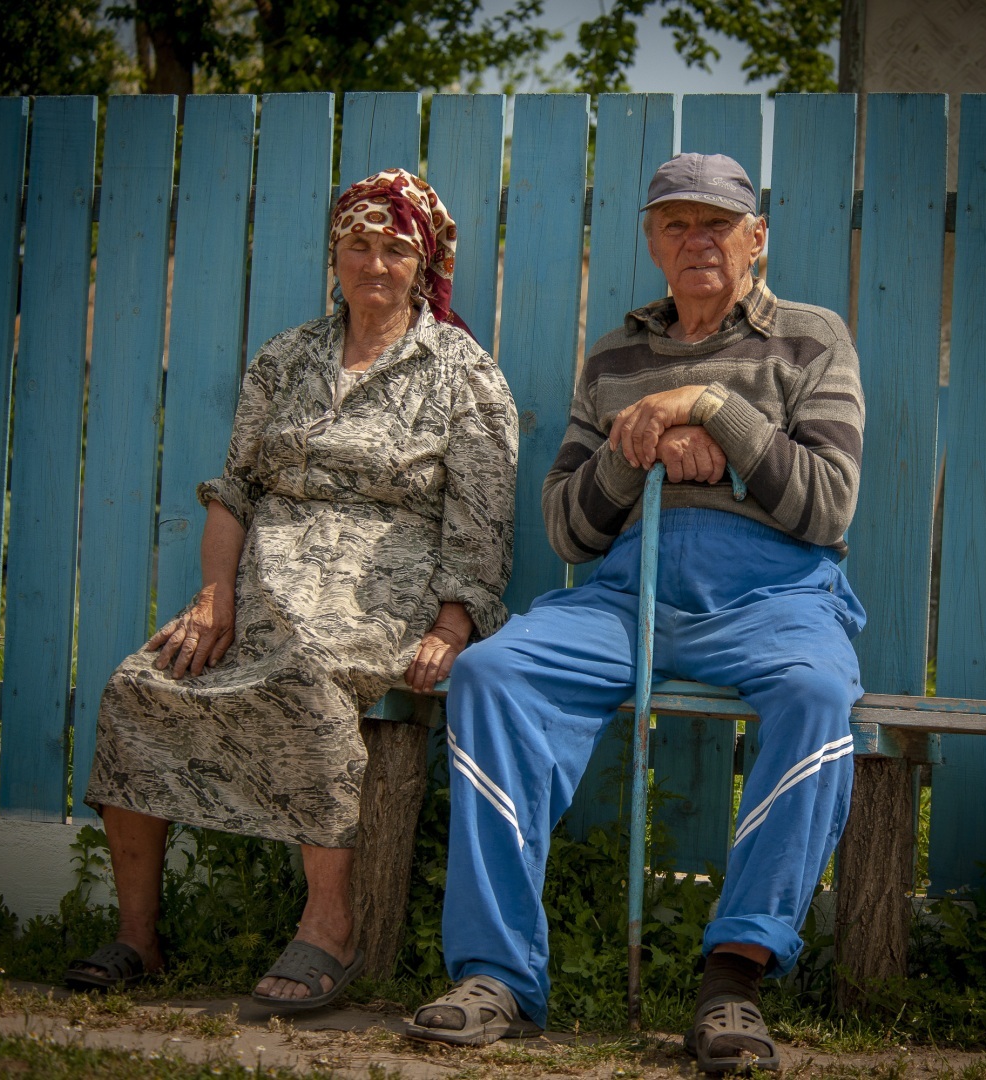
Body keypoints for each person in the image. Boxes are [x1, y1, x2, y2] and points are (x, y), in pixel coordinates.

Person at [406, 152, 865, 1073]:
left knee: (817, 696)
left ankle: (733, 978)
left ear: (757, 239)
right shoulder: (613, 357)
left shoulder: (812, 341)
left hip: (771, 595)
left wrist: (711, 409)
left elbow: (827, 506)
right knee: (493, 673)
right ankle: (497, 973)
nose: (697, 240)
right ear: (652, 241)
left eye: (718, 223)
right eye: (675, 224)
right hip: (627, 591)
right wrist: (635, 448)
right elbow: (569, 531)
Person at [65, 168, 519, 1011]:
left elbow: (484, 515)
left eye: (394, 249)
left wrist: (455, 621)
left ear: (424, 265)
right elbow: (236, 489)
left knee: (307, 675)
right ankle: (138, 935)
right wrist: (214, 593)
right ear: (334, 252)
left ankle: (329, 928)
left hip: (379, 605)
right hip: (266, 594)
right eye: (358, 243)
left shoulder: (462, 372)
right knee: (139, 685)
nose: (374, 263)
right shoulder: (286, 358)